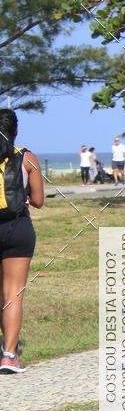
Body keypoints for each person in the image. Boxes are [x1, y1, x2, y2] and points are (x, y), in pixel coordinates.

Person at [0, 109, 44, 373]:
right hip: (18, 230)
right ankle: (9, 355)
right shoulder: (27, 158)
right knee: (13, 293)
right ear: (15, 131)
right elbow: (38, 201)